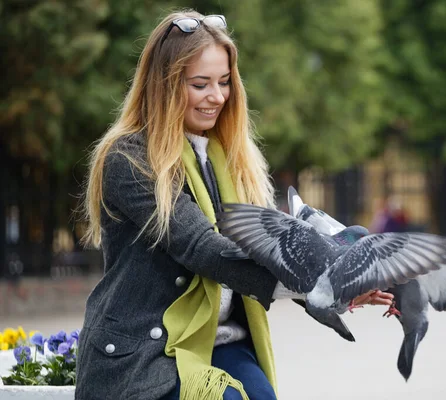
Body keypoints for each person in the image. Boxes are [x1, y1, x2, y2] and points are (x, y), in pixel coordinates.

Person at [76, 9, 393, 400]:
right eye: (200, 84)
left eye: (224, 82)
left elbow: (271, 247)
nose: (217, 97)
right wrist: (318, 280)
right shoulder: (129, 159)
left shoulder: (230, 158)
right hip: (148, 349)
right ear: (164, 85)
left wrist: (339, 280)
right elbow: (201, 248)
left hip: (223, 340)